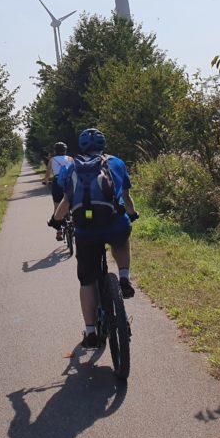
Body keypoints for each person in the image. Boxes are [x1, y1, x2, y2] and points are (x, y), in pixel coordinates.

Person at [48, 127, 138, 348]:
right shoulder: (116, 162)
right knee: (121, 239)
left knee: (87, 281)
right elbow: (125, 196)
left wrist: (56, 221)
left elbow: (66, 201)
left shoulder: (71, 167)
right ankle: (124, 278)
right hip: (114, 223)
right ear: (103, 144)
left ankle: (90, 332)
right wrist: (132, 214)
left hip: (86, 232)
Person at [44, 141, 74, 241]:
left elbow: (48, 173)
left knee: (57, 207)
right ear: (65, 150)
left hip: (57, 183)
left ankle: (59, 231)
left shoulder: (52, 160)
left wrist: (46, 181)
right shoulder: (70, 159)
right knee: (73, 204)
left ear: (55, 151)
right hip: (70, 183)